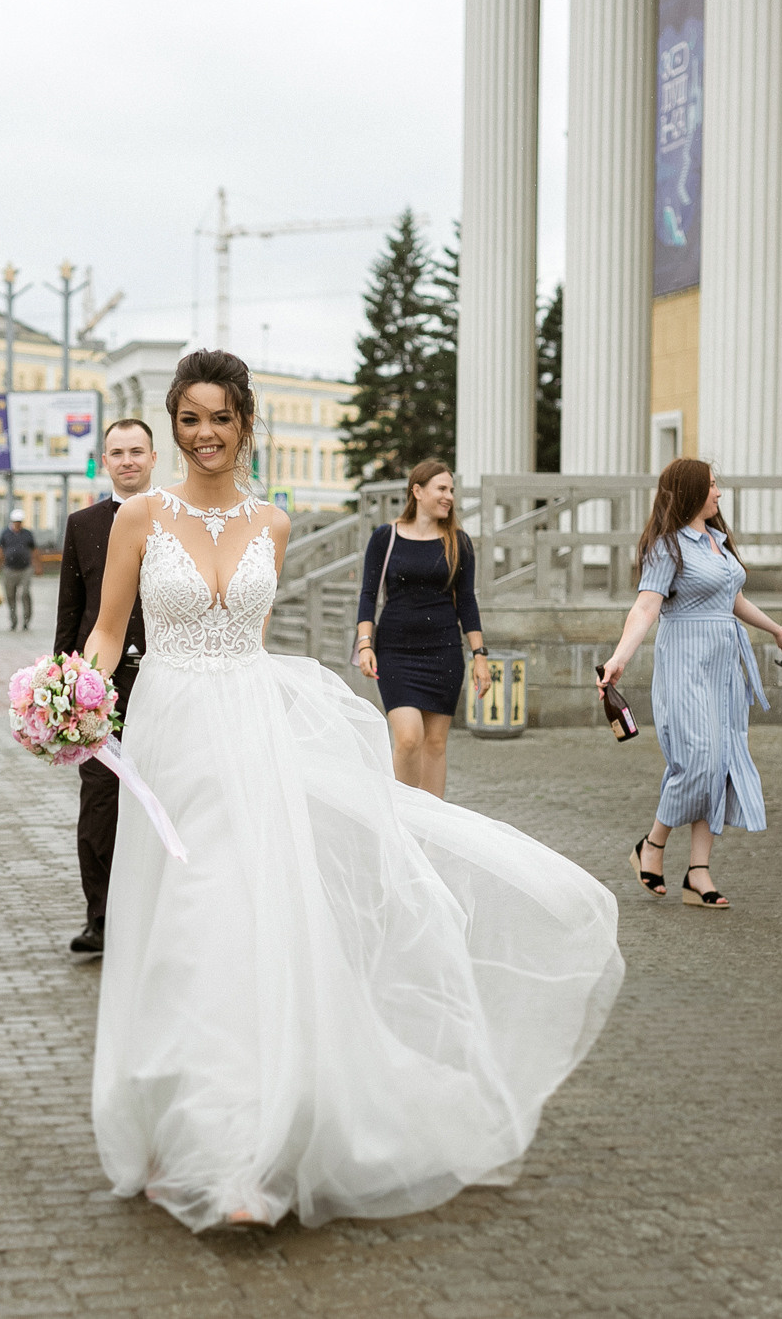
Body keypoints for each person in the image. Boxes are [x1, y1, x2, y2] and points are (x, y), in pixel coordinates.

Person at [82, 349, 623, 1232]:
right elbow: (110, 633)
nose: (205, 434)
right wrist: (71, 696)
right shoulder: (139, 516)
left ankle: (241, 1151)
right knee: (176, 926)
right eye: (190, 419)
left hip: (249, 732)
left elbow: (247, 635)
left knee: (242, 924)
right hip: (171, 735)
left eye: (221, 418)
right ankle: (171, 1124)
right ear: (173, 424)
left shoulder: (274, 523)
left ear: (245, 424)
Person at [598, 458, 782, 911]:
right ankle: (652, 844)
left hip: (724, 668)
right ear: (690, 491)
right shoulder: (667, 547)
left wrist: (777, 631)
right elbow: (645, 607)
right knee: (697, 762)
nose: (718, 493)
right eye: (711, 486)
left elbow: (734, 600)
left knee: (720, 762)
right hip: (685, 665)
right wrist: (619, 658)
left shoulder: (716, 540)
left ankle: (698, 872)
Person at [52, 418, 156, 955]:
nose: (127, 460)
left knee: (160, 794)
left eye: (137, 451)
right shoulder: (84, 524)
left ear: (154, 458)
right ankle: (101, 918)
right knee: (100, 800)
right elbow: (71, 610)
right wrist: (62, 687)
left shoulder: (172, 518)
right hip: (99, 687)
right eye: (117, 452)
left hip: (162, 681)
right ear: (104, 461)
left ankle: (157, 918)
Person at [354, 459, 491, 797]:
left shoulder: (458, 542)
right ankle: (402, 815)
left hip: (444, 653)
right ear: (417, 491)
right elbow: (368, 594)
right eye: (441, 489)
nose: (449, 497)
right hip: (395, 652)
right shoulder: (385, 537)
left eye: (452, 490)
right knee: (408, 738)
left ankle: (432, 823)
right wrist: (365, 644)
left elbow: (467, 602)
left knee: (435, 744)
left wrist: (480, 656)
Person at [0, 508, 40, 630]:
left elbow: (34, 550)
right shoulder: (5, 534)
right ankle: (13, 621)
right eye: (15, 521)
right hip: (9, 569)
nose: (17, 524)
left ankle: (26, 620)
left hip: (25, 569)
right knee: (10, 596)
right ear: (12, 521)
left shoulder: (27, 534)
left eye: (19, 521)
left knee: (25, 593)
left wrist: (37, 566)